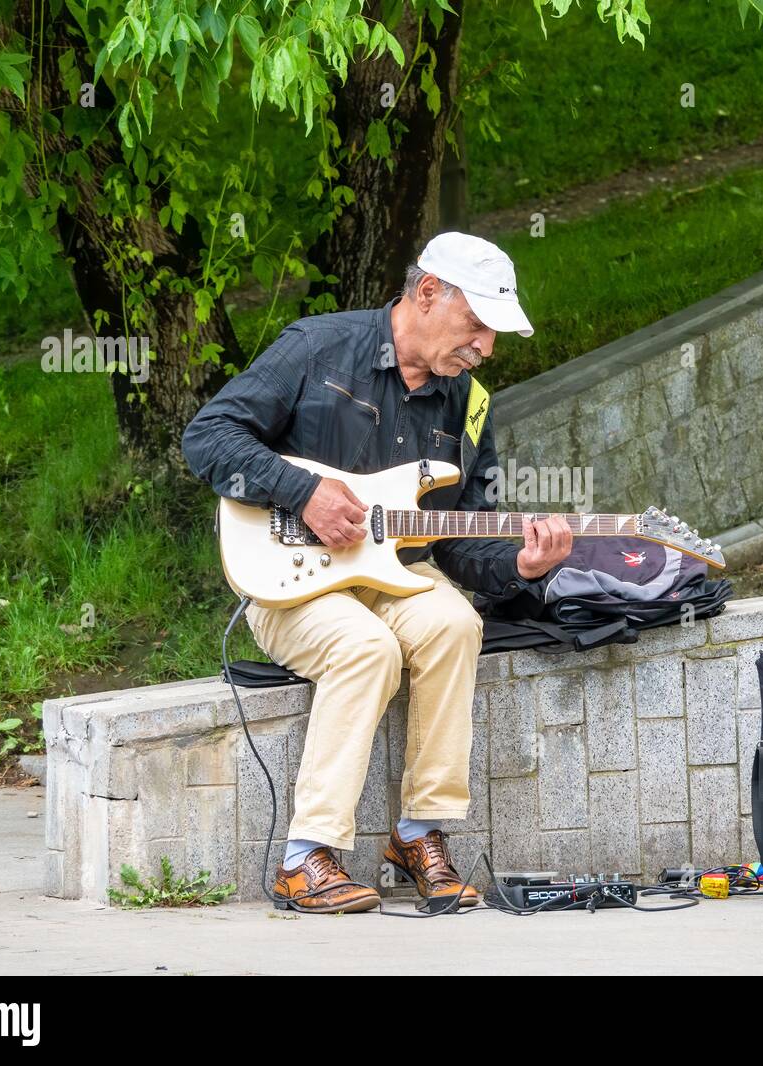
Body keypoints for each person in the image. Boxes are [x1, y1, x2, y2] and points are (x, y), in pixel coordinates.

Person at [181, 232, 573, 912]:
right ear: (426, 294)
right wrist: (301, 492)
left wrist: (522, 562)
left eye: (493, 333)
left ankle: (418, 835)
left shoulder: (468, 404)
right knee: (366, 648)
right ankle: (306, 859)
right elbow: (207, 437)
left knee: (454, 622)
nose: (486, 348)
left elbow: (458, 543)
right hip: (289, 582)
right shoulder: (316, 348)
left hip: (395, 577)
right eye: (477, 325)